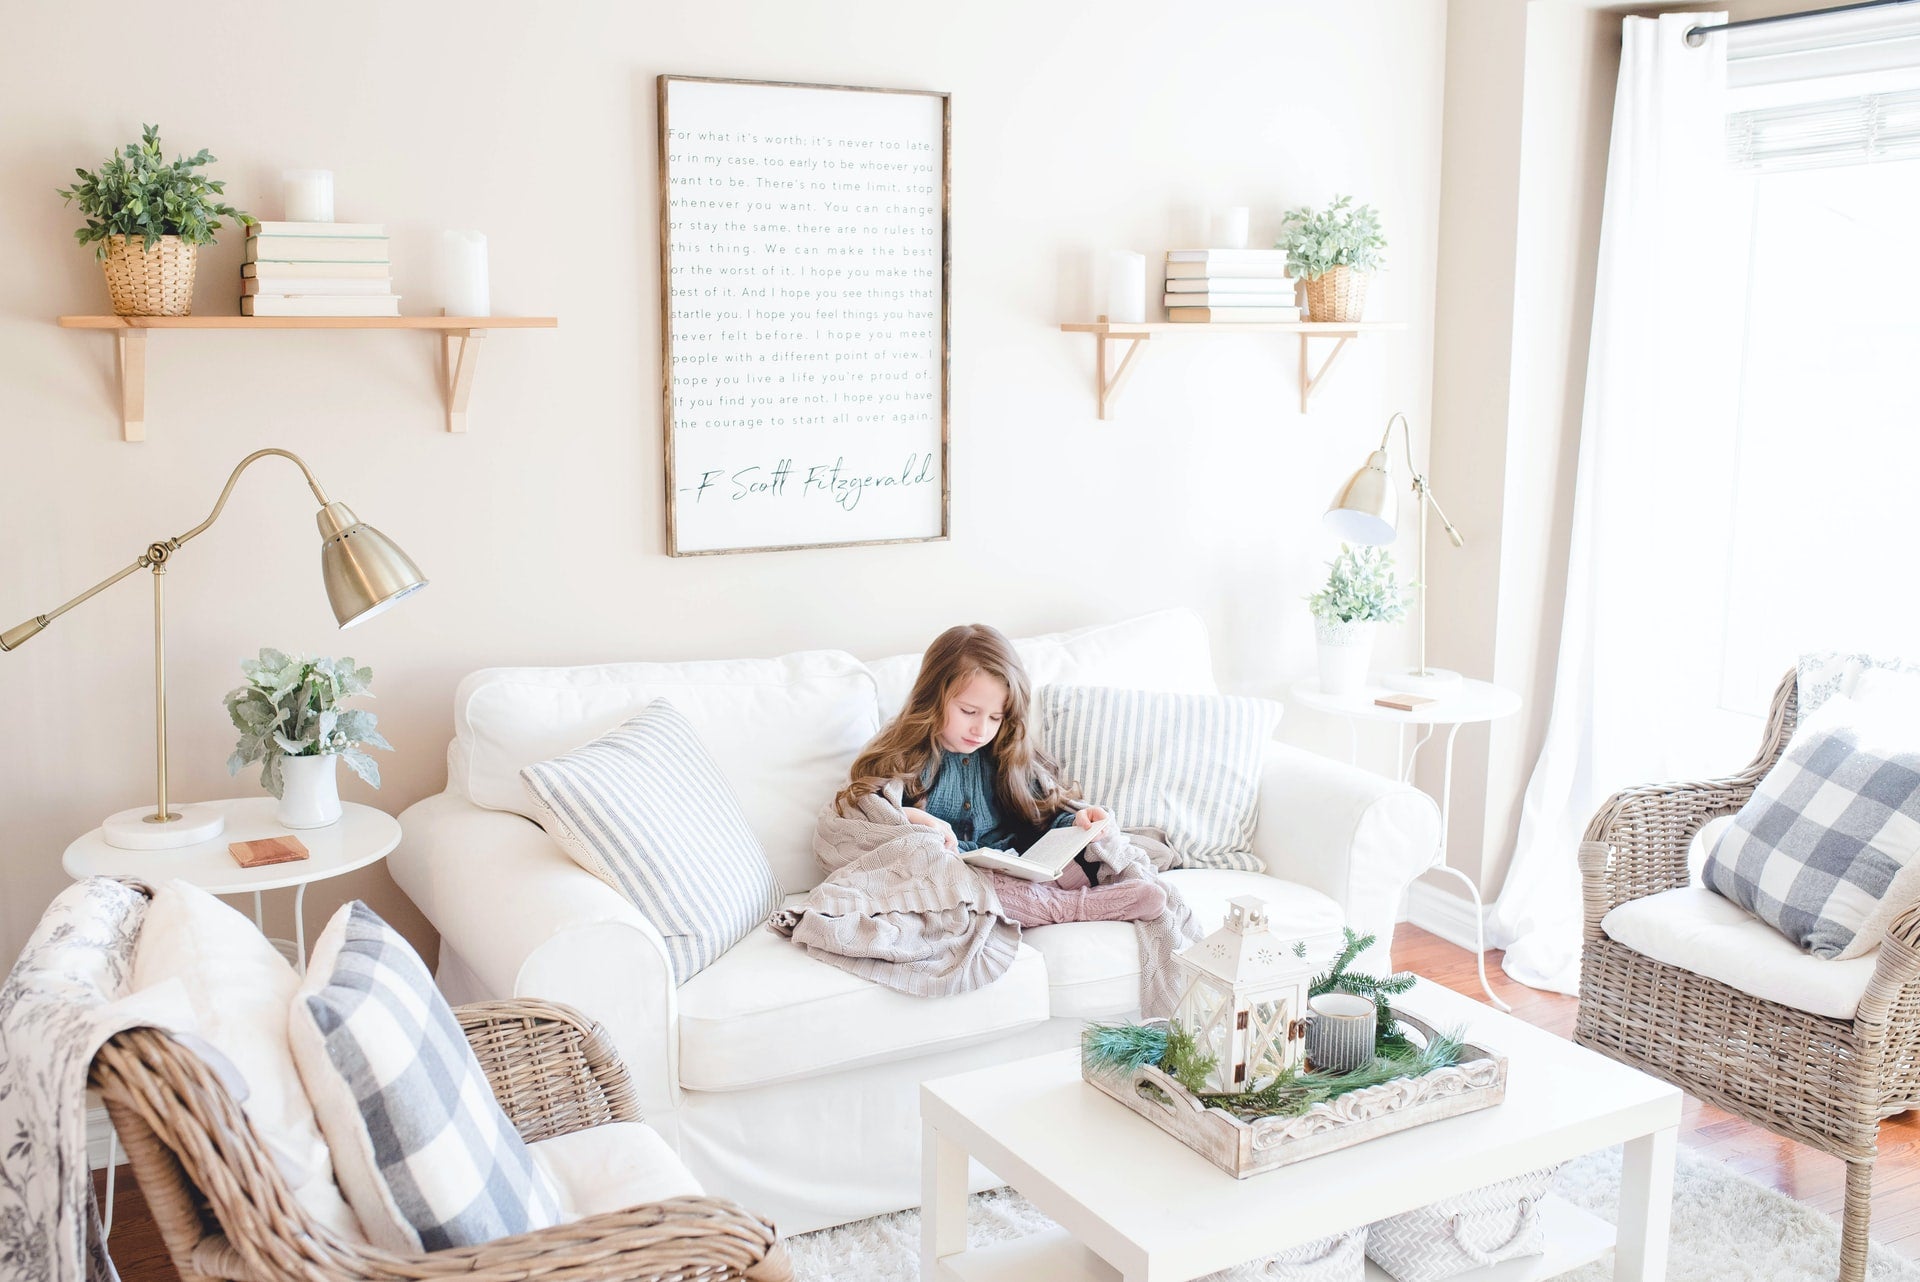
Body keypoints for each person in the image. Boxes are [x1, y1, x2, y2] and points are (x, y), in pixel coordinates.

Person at [835, 623, 1166, 925]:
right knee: (967, 888)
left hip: (1014, 863)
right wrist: (915, 818)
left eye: (996, 717)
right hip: (954, 874)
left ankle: (1064, 894)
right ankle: (1073, 907)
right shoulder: (904, 754)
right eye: (969, 712)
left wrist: (1078, 824)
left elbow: (1041, 814)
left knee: (1082, 858)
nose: (981, 729)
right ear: (933, 697)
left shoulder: (1004, 752)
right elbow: (867, 822)